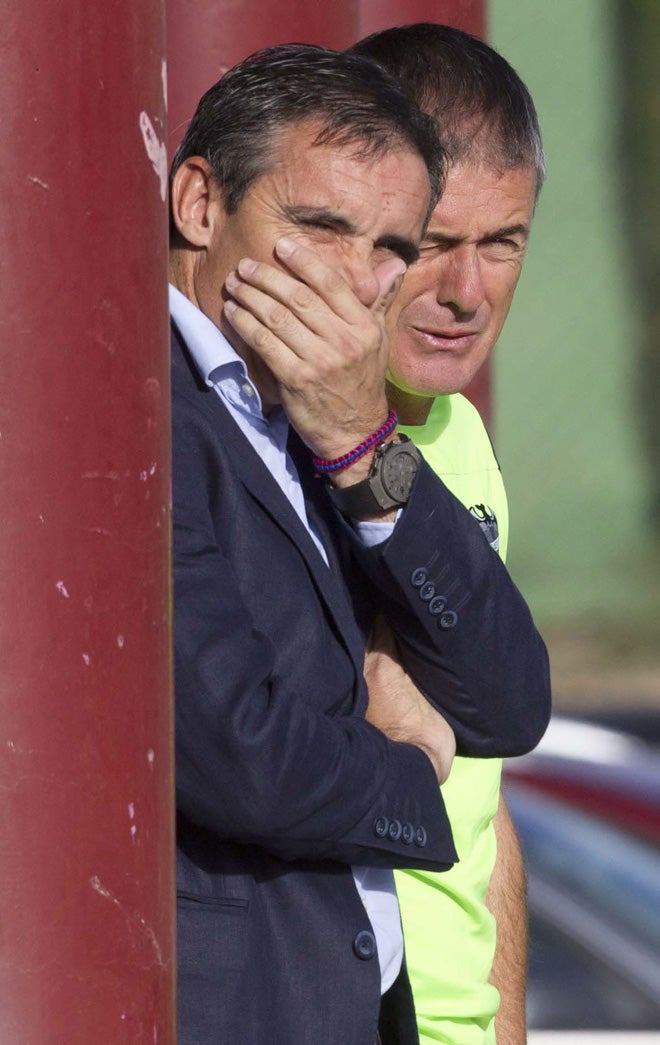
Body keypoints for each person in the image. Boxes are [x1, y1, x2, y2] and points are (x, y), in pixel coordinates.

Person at [168, 43, 550, 1045]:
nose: (358, 279)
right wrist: (412, 764)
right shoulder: (136, 406)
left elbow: (506, 702)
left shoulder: (336, 415)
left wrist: (359, 441)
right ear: (201, 205)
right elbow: (239, 750)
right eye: (319, 228)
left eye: (389, 245)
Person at [353, 24, 546, 1044]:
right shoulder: (273, 427)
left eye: (502, 242)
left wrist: (503, 1019)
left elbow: (484, 794)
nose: (466, 292)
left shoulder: (464, 432)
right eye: (432, 242)